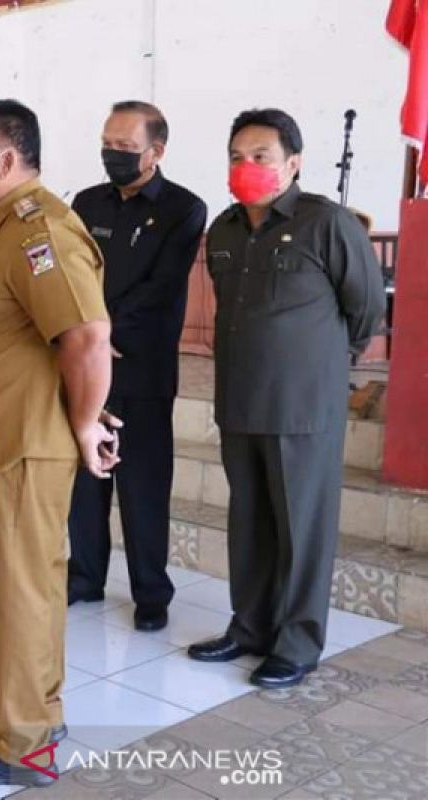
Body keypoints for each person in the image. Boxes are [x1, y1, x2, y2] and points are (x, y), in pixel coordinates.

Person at [0, 99, 117, 789]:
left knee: (18, 590)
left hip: (22, 445)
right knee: (26, 586)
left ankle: (21, 744)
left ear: (5, 159)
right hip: (3, 439)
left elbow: (89, 337)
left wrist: (84, 422)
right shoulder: (3, 230)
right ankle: (29, 705)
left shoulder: (41, 231)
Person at [187, 109, 384, 688]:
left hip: (303, 408)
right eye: (236, 156)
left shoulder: (327, 223)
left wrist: (318, 365)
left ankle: (296, 643)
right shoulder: (223, 229)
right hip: (240, 400)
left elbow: (366, 309)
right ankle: (248, 626)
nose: (246, 167)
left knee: (302, 527)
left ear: (293, 164)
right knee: (249, 520)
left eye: (261, 156)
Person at [67, 101, 208, 632]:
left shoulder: (184, 208)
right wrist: (86, 338)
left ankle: (151, 592)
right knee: (85, 476)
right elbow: (72, 275)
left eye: (126, 148)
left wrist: (106, 333)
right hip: (85, 362)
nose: (114, 155)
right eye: (108, 144)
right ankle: (84, 576)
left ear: (157, 151)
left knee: (143, 482)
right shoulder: (86, 202)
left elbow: (163, 286)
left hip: (141, 364)